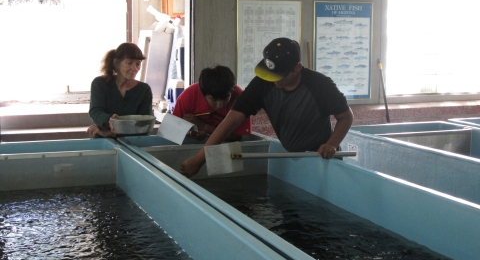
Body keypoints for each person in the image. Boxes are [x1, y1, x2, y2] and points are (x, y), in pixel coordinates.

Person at [180, 37, 354, 177]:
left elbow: (346, 117)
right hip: (293, 157)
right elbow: (231, 120)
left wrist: (331, 145)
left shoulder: (320, 85)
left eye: (279, 75)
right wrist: (199, 159)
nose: (274, 80)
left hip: (322, 157)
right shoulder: (263, 84)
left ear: (297, 68)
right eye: (270, 74)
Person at [87, 42, 153, 138]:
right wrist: (109, 120)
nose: (134, 68)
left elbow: (143, 124)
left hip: (133, 143)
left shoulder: (144, 89)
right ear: (116, 63)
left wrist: (110, 133)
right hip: (104, 142)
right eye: (129, 63)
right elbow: (95, 112)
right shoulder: (100, 84)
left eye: (138, 64)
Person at [172, 65, 252, 141]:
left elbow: (238, 137)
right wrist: (190, 132)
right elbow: (173, 131)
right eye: (213, 99)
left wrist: (203, 126)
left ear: (232, 91)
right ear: (202, 93)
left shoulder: (240, 98)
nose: (219, 105)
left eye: (225, 98)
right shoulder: (189, 96)